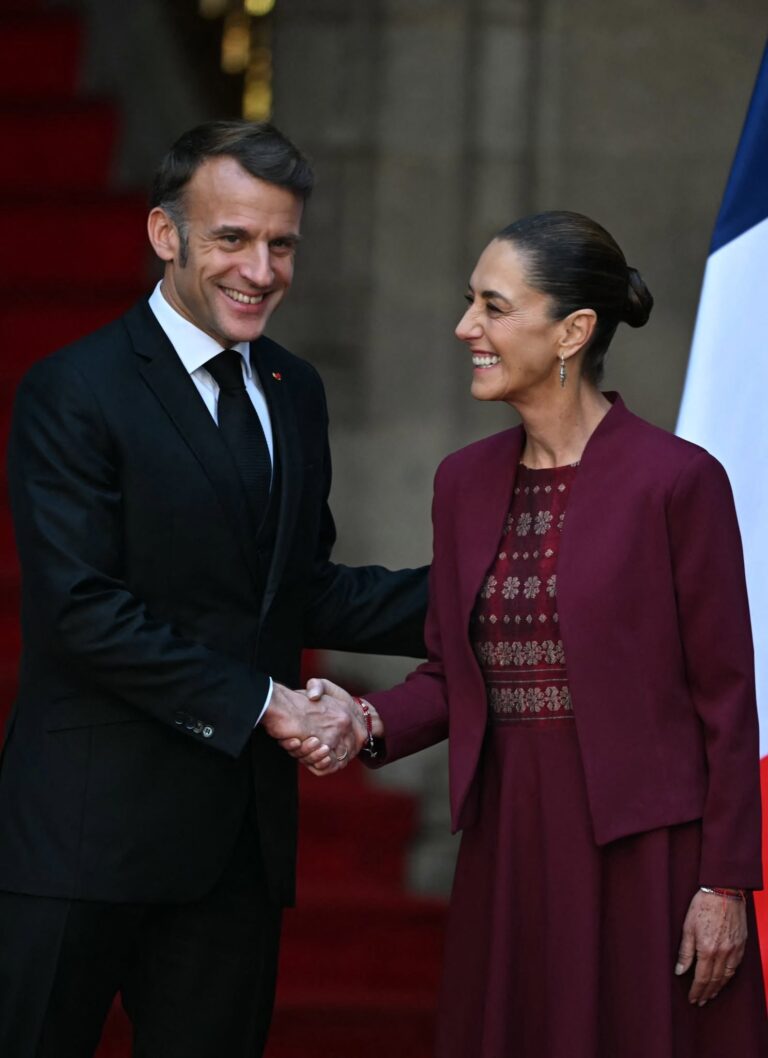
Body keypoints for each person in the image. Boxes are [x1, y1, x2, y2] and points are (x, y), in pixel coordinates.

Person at [292, 211, 768, 1057]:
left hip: (645, 854)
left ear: (572, 332)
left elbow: (729, 702)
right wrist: (363, 721)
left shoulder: (679, 482)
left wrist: (726, 884)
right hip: (510, 843)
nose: (466, 327)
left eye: (494, 306)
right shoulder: (463, 483)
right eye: (469, 301)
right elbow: (455, 670)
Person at [0, 120, 426, 1058]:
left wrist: (503, 596)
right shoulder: (75, 389)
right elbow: (80, 611)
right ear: (167, 234)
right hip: (83, 832)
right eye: (233, 238)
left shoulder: (294, 388)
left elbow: (296, 589)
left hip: (235, 849)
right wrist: (268, 704)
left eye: (282, 245)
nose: (261, 271)